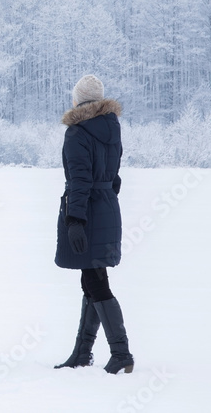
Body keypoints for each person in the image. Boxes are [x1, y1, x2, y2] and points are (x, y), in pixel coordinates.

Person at [53, 74, 134, 374]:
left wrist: (75, 219)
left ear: (78, 101)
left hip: (87, 211)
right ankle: (82, 353)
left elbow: (79, 181)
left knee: (96, 283)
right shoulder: (112, 128)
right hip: (108, 208)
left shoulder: (77, 133)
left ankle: (121, 352)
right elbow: (114, 176)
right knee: (93, 279)